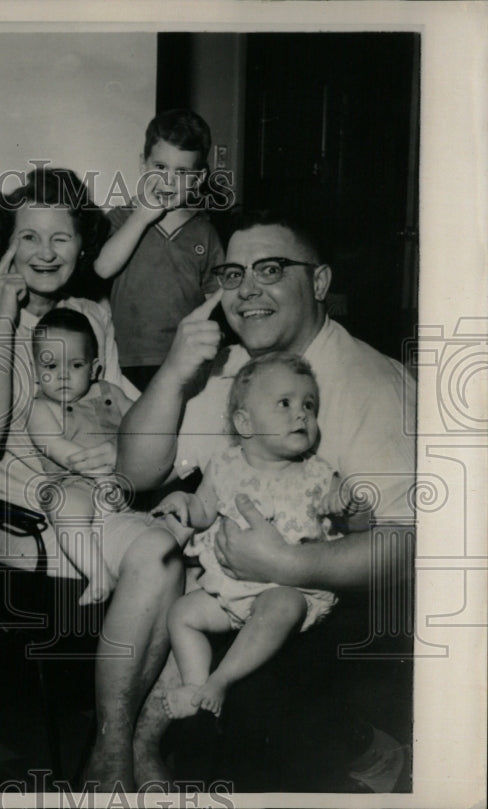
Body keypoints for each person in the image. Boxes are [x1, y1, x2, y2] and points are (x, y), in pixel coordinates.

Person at [99, 210, 415, 791]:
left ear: (318, 284)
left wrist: (288, 565)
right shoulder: (235, 365)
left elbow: (409, 544)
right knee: (158, 566)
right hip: (230, 572)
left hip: (331, 595)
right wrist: (171, 373)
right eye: (231, 273)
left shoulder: (369, 384)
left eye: (270, 269)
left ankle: (126, 760)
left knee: (249, 708)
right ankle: (119, 757)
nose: (246, 290)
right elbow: (135, 472)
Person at [0, 167, 183, 783]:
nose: (45, 254)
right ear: (5, 244)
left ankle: (122, 746)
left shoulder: (91, 316)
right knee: (156, 557)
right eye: (29, 237)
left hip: (98, 498)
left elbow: (117, 405)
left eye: (62, 238)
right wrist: (3, 313)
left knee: (178, 552)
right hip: (25, 517)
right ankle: (116, 756)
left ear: (82, 246)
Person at [153, 352, 367, 719]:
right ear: (245, 422)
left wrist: (344, 501)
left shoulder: (318, 474)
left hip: (289, 591)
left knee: (281, 605)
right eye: (285, 403)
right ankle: (194, 682)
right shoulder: (224, 464)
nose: (301, 414)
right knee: (182, 613)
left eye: (309, 405)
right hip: (229, 591)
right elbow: (204, 510)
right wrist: (184, 505)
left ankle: (221, 679)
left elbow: (360, 518)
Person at [94, 109, 224, 391]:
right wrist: (141, 217)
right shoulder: (123, 218)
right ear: (143, 165)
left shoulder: (205, 232)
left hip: (184, 357)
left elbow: (216, 296)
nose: (168, 181)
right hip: (126, 358)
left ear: (198, 179)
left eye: (182, 173)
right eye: (160, 168)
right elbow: (103, 267)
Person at [27, 308, 134, 605]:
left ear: (94, 368)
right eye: (50, 365)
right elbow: (57, 447)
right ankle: (98, 573)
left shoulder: (109, 391)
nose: (62, 375)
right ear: (35, 370)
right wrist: (101, 476)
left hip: (126, 475)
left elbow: (139, 424)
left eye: (75, 365)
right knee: (64, 508)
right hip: (75, 483)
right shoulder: (40, 409)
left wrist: (126, 462)